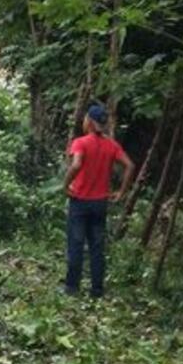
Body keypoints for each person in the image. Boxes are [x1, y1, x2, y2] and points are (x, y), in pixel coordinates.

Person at [63, 104, 135, 298]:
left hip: (79, 201)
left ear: (90, 121)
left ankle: (72, 288)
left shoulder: (81, 142)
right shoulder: (111, 145)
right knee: (97, 247)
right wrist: (121, 191)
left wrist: (66, 183)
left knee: (76, 244)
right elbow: (130, 166)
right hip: (100, 203)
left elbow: (77, 164)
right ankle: (97, 290)